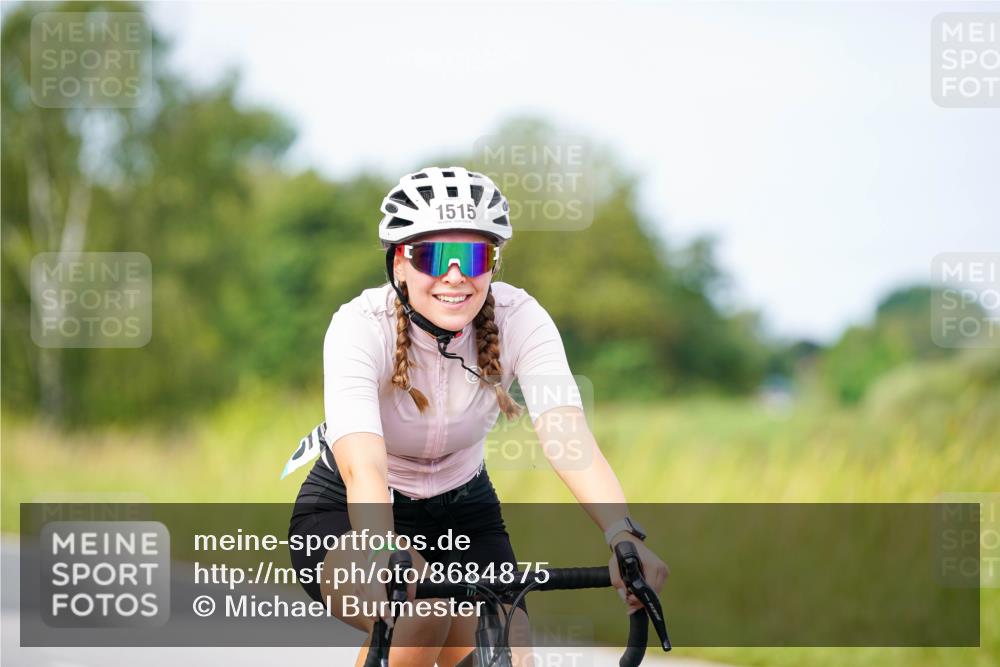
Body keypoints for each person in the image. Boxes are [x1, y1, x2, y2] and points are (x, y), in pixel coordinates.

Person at [284, 166, 667, 667]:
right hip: (352, 510)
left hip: (465, 509)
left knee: (511, 645)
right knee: (422, 617)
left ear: (493, 262)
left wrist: (620, 533)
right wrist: (380, 544)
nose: (455, 276)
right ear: (399, 263)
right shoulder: (359, 327)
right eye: (433, 256)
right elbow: (364, 467)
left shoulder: (520, 318)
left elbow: (566, 434)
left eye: (473, 256)